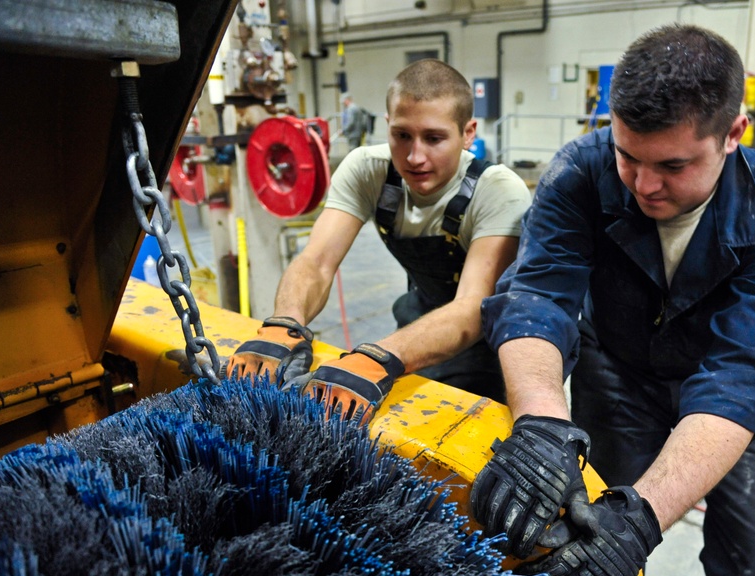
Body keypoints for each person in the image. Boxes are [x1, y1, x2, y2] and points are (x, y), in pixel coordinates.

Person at [470, 24, 755, 576]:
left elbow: (741, 378)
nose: (643, 184)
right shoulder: (580, 172)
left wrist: (642, 519)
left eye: (673, 165)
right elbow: (538, 298)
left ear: (733, 134)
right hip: (619, 373)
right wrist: (543, 423)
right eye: (628, 155)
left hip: (725, 395)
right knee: (579, 538)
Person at [227, 59, 531, 424]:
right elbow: (317, 261)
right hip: (425, 315)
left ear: (468, 133)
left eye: (434, 138)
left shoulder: (498, 190)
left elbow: (472, 306)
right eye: (402, 136)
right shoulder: (367, 170)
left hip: (498, 337)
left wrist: (378, 355)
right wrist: (284, 323)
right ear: (387, 126)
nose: (415, 157)